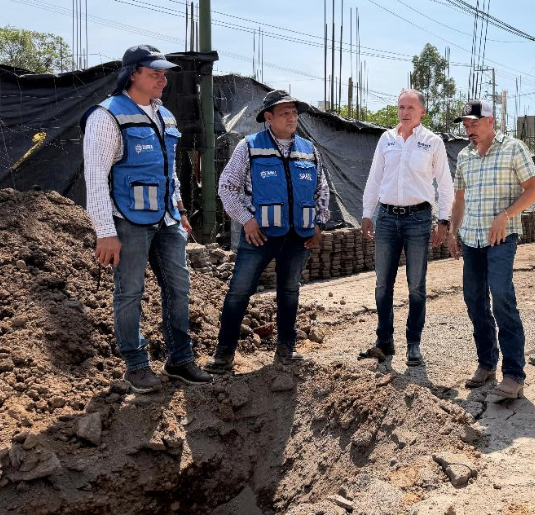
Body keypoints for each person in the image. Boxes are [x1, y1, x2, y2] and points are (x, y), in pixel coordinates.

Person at [81, 44, 212, 393]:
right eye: (154, 72)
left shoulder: (165, 116)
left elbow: (169, 172)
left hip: (167, 219)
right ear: (132, 74)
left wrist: (181, 210)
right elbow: (94, 178)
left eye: (164, 73)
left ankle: (180, 360)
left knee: (179, 288)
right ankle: (136, 364)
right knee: (129, 292)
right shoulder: (106, 116)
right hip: (127, 220)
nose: (162, 79)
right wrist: (105, 232)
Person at [205, 90, 330, 373]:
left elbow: (322, 189)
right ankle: (224, 355)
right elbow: (226, 187)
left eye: (294, 112)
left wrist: (320, 222)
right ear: (268, 118)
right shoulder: (249, 147)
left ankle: (286, 350)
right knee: (239, 291)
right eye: (284, 113)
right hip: (258, 235)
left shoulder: (309, 151)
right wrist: (246, 220)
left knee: (289, 291)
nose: (292, 117)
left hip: (299, 236)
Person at [447, 100, 535, 399]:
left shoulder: (514, 149)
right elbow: (459, 199)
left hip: (501, 238)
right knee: (474, 300)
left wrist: (506, 215)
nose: (469, 129)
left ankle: (514, 374)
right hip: (472, 239)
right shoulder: (464, 156)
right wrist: (452, 231)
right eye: (465, 125)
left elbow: (534, 190)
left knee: (501, 296)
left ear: (490, 121)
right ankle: (487, 363)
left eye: (474, 124)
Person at [361, 89, 454, 366]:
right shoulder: (386, 140)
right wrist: (368, 213)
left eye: (411, 107)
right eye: (401, 106)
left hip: (418, 219)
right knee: (382, 285)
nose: (405, 112)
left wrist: (444, 221)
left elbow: (445, 185)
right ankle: (384, 340)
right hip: (387, 218)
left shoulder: (432, 142)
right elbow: (375, 178)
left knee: (416, 286)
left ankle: (414, 344)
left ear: (422, 111)